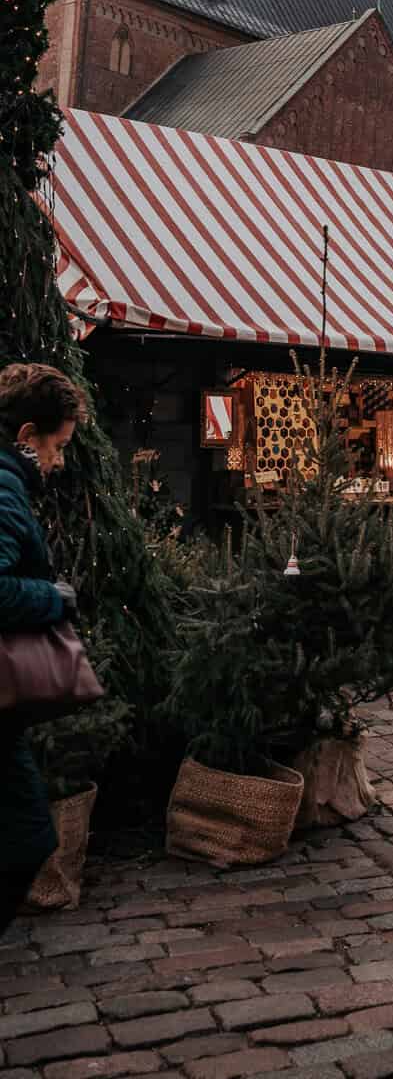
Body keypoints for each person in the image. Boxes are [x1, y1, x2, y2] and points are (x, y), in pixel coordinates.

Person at [0, 363, 85, 937]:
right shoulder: (3, 485)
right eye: (57, 447)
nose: (58, 463)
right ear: (28, 437)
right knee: (28, 836)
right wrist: (54, 597)